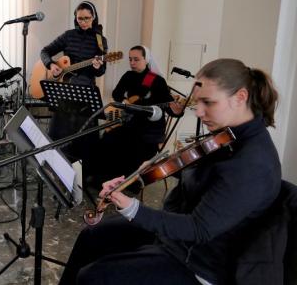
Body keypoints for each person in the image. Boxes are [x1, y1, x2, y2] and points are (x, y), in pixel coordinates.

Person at [59, 58, 281, 285]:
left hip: (199, 263)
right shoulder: (229, 136)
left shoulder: (253, 163)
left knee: (93, 277)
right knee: (91, 236)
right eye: (197, 102)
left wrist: (132, 208)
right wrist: (148, 172)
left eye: (208, 102)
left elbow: (198, 229)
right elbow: (208, 181)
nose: (199, 112)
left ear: (240, 97)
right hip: (177, 239)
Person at [86, 45, 182, 186]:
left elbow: (170, 109)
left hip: (148, 132)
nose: (132, 63)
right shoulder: (128, 75)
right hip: (129, 124)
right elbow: (116, 93)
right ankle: (101, 179)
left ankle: (124, 183)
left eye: (136, 59)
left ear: (146, 60)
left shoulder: (156, 80)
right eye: (130, 59)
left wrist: (177, 111)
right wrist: (125, 101)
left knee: (128, 147)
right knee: (105, 139)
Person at [39, 1, 107, 160]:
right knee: (59, 143)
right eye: (80, 18)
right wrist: (51, 65)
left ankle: (81, 181)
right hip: (65, 93)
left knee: (84, 145)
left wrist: (97, 66)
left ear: (94, 17)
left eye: (87, 18)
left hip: (85, 96)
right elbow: (45, 51)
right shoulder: (68, 36)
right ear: (75, 18)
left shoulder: (100, 40)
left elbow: (102, 71)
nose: (83, 22)